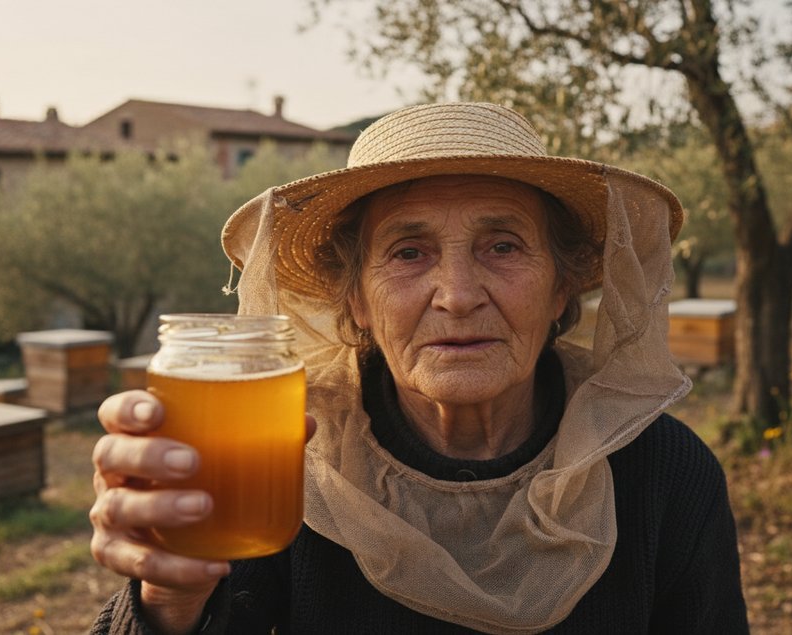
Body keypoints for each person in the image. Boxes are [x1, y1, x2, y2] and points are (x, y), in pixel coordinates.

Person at [89, 102, 748, 634]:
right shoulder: (278, 467)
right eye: (408, 252)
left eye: (502, 245)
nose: (457, 294)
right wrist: (167, 603)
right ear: (356, 300)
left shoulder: (668, 476)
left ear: (561, 290)